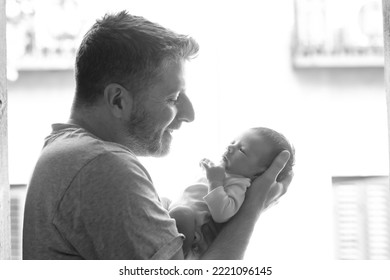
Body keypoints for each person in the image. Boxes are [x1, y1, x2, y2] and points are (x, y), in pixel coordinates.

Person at [22, 11, 293, 260]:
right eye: (173, 98)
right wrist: (252, 208)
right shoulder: (101, 167)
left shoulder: (71, 154)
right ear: (118, 100)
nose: (189, 114)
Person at [169, 127, 295, 257]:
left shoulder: (239, 184)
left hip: (194, 231)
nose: (230, 147)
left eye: (242, 150)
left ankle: (176, 256)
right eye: (233, 142)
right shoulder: (222, 171)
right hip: (178, 219)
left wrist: (215, 182)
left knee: (181, 213)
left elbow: (222, 213)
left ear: (258, 174)